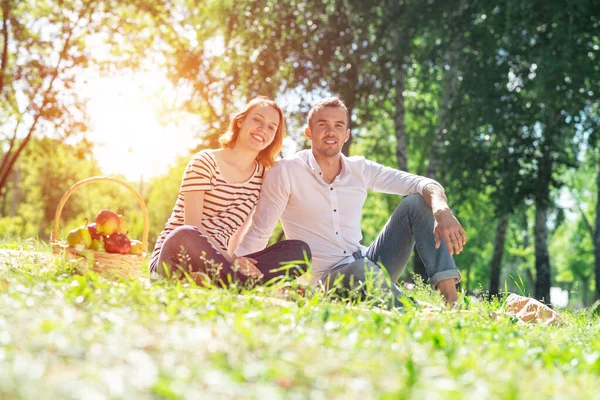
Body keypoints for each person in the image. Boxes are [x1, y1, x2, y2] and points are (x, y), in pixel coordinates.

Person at [235, 97, 466, 306]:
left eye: (338, 125)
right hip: (329, 279)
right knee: (360, 270)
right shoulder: (286, 172)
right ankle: (414, 309)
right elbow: (260, 231)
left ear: (346, 134)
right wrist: (237, 273)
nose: (330, 131)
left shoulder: (360, 169)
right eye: (322, 124)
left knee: (417, 203)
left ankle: (452, 302)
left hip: (369, 261)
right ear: (309, 132)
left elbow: (423, 184)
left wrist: (442, 209)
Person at [149, 96, 311, 286]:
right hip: (176, 257)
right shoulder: (205, 161)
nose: (262, 129)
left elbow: (238, 233)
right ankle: (236, 283)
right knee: (184, 234)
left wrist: (238, 261)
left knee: (299, 251)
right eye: (257, 120)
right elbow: (192, 224)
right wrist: (230, 261)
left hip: (219, 263)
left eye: (271, 127)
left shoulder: (261, 177)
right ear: (241, 121)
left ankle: (229, 282)